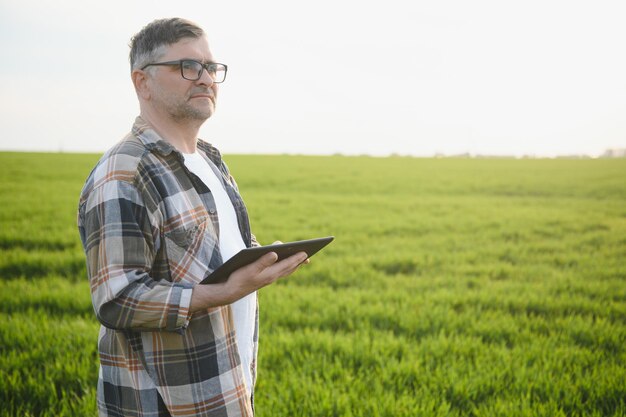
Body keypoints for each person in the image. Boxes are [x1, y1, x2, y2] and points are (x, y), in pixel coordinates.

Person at [77, 17, 308, 417]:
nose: (205, 78)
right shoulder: (125, 172)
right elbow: (117, 299)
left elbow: (209, 255)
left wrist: (262, 258)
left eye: (211, 67)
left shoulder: (209, 160)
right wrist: (223, 292)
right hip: (160, 404)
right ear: (142, 82)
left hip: (222, 391)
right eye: (187, 66)